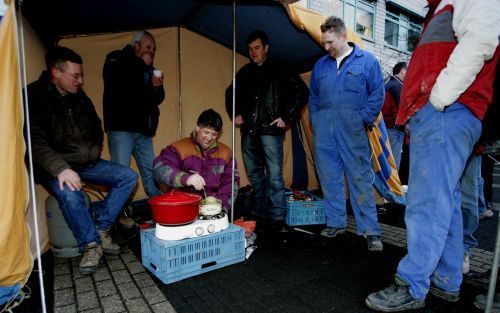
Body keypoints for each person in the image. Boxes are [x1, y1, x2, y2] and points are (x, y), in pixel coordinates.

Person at [366, 0, 500, 311]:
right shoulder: (441, 9)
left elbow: (481, 39)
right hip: (449, 112)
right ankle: (447, 279)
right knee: (446, 202)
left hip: (446, 109)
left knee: (426, 203)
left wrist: (438, 98)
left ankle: (412, 284)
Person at [28, 46, 138, 275]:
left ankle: (101, 226)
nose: (80, 80)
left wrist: (94, 150)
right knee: (71, 193)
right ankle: (91, 244)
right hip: (55, 167)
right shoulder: (34, 97)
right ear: (56, 72)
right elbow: (34, 142)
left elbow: (96, 126)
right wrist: (61, 169)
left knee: (128, 176)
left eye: (82, 75)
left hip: (87, 163)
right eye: (75, 75)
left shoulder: (80, 98)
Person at [308, 16, 385, 251]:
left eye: (330, 42)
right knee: (329, 179)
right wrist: (316, 120)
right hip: (324, 133)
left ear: (343, 36)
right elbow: (313, 97)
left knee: (360, 178)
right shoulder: (321, 65)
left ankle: (370, 231)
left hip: (352, 130)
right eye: (324, 43)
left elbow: (378, 94)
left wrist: (362, 119)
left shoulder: (367, 61)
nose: (326, 47)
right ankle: (335, 223)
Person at [225, 30, 309, 231]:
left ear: (266, 48)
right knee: (254, 174)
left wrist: (287, 117)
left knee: (274, 175)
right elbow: (230, 93)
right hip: (249, 132)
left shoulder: (280, 68)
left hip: (271, 132)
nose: (253, 52)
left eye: (257, 48)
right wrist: (235, 112)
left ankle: (278, 216)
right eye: (250, 49)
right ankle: (260, 210)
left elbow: (302, 92)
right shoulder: (245, 72)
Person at [103, 30, 165, 197]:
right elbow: (122, 85)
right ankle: (119, 216)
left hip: (144, 132)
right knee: (121, 173)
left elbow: (157, 99)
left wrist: (156, 87)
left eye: (153, 49)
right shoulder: (116, 59)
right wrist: (141, 65)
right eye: (148, 47)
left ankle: (161, 211)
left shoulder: (149, 70)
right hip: (121, 128)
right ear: (136, 46)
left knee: (152, 173)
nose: (151, 51)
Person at [153, 109, 239, 212]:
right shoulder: (178, 148)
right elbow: (159, 168)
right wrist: (185, 178)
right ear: (198, 127)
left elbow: (231, 184)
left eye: (214, 134)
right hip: (182, 209)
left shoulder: (226, 153)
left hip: (212, 211)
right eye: (206, 132)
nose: (209, 138)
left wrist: (220, 208)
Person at [382, 61, 407, 170]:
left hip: (384, 127)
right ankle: (391, 187)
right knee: (393, 164)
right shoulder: (398, 87)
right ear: (402, 71)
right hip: (395, 129)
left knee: (384, 162)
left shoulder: (387, 85)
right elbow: (402, 109)